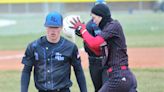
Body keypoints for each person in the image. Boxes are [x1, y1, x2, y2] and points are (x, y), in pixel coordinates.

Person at [70, 4, 137, 92]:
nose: (93, 21)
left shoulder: (113, 25)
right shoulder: (107, 28)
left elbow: (94, 43)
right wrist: (83, 34)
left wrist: (83, 29)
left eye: (94, 18)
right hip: (118, 75)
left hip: (119, 76)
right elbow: (97, 50)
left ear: (101, 16)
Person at [21, 12, 87, 92]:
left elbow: (78, 71)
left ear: (61, 27)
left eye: (56, 27)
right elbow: (26, 71)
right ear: (46, 27)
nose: (53, 31)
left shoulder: (70, 47)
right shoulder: (34, 46)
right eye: (50, 27)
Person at [82, 0, 108, 91]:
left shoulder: (111, 24)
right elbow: (87, 47)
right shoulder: (89, 25)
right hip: (94, 62)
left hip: (108, 61)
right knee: (98, 88)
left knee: (108, 88)